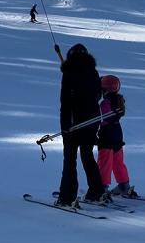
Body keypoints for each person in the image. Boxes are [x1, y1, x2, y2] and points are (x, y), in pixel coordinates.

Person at [54, 43, 107, 208]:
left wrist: (64, 126)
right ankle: (96, 191)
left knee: (70, 159)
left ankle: (67, 196)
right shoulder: (94, 72)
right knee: (87, 156)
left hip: (73, 124)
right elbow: (98, 95)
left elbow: (65, 102)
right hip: (92, 122)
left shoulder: (69, 74)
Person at [96, 74, 138, 198]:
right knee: (118, 160)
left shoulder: (105, 103)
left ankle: (102, 188)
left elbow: (103, 119)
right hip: (117, 132)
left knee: (105, 160)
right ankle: (124, 185)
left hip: (107, 133)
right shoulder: (119, 100)